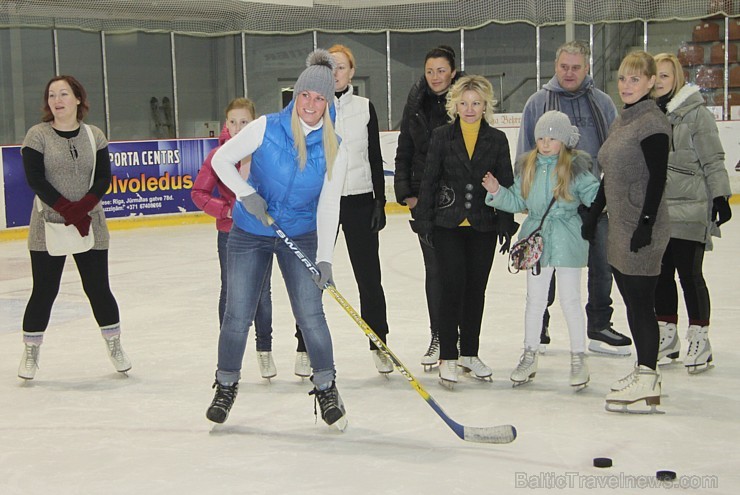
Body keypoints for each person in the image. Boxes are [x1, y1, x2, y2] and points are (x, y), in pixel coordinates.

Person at [205, 49, 349, 429]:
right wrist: (244, 193)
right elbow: (221, 160)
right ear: (295, 95)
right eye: (305, 95)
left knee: (311, 316)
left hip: (299, 233)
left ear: (328, 102)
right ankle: (225, 384)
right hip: (251, 232)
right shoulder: (266, 126)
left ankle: (326, 386)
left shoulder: (337, 148)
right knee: (237, 314)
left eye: (320, 98)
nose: (311, 104)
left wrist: (325, 258)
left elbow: (328, 206)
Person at [517, 40, 631, 356]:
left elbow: (615, 150)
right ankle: (539, 323)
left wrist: (608, 194)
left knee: (601, 263)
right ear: (556, 67)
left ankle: (598, 325)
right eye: (564, 66)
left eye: (576, 67)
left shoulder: (603, 103)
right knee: (547, 260)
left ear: (587, 68)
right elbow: (524, 153)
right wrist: (529, 194)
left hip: (593, 200)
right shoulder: (537, 103)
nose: (569, 73)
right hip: (551, 206)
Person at [18, 75, 131, 380]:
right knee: (44, 291)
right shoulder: (37, 136)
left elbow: (103, 178)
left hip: (90, 224)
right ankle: (31, 352)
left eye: (64, 94)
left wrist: (82, 210)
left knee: (97, 289)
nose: (57, 100)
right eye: (52, 94)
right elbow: (35, 180)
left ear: (78, 99)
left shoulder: (94, 135)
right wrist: (69, 211)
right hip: (48, 225)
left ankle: (115, 345)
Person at [293, 44, 392, 375]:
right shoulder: (311, 106)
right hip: (321, 201)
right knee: (313, 273)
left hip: (360, 200)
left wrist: (379, 199)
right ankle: (304, 346)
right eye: (330, 67)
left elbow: (374, 156)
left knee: (369, 277)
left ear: (352, 71)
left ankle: (379, 343)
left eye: (342, 67)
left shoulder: (364, 107)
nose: (336, 73)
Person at [581, 51, 671, 413]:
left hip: (639, 228)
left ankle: (647, 374)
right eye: (622, 79)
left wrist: (646, 226)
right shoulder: (625, 119)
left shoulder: (652, 123)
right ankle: (646, 372)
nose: (627, 86)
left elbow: (658, 178)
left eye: (635, 79)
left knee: (640, 304)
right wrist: (593, 212)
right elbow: (608, 173)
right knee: (635, 303)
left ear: (652, 82)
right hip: (620, 225)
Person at [484, 111, 600, 389]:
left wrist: (603, 194)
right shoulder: (529, 167)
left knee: (571, 300)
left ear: (564, 140)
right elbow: (516, 200)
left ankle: (578, 357)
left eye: (552, 138)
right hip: (536, 239)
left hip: (568, 239)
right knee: (535, 301)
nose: (545, 144)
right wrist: (497, 191)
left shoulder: (574, 168)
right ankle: (529, 353)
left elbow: (596, 196)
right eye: (540, 138)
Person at [414, 75, 516, 388]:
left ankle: (470, 352)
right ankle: (448, 354)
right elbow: (429, 180)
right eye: (464, 103)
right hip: (449, 225)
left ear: (486, 106)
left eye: (476, 103)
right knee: (451, 287)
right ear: (454, 104)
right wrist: (425, 221)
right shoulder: (443, 136)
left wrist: (505, 221)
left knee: (476, 290)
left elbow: (506, 182)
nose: (470, 109)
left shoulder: (497, 139)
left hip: (482, 226)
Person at [652, 53, 732, 373]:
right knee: (660, 274)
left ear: (678, 80)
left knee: (689, 273)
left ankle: (700, 336)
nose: (658, 81)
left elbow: (713, 159)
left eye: (665, 76)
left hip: (690, 207)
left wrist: (720, 196)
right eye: (654, 75)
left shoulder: (696, 115)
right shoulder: (645, 114)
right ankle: (667, 335)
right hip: (658, 210)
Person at [191, 98, 278, 381]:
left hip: (262, 233)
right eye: (232, 122)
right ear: (225, 124)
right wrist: (226, 210)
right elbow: (198, 194)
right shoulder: (218, 155)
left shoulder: (266, 151)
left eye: (244, 122)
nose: (238, 128)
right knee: (230, 293)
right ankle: (227, 355)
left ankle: (264, 350)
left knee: (262, 294)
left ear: (254, 122)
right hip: (229, 234)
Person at [394, 45, 463, 371]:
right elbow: (404, 149)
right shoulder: (415, 104)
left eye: (441, 70)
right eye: (430, 70)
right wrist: (408, 194)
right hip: (425, 201)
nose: (435, 76)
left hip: (460, 201)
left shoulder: (466, 98)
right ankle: (438, 336)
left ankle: (462, 338)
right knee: (435, 269)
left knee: (460, 272)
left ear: (452, 71)